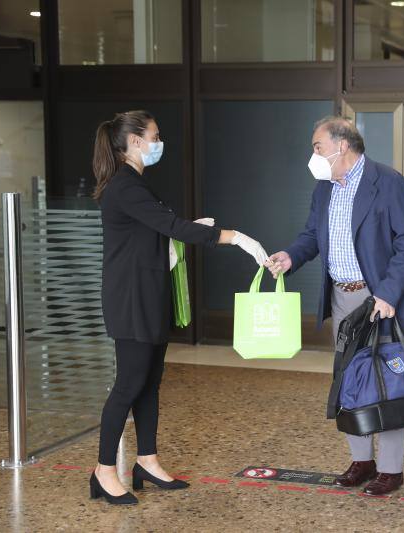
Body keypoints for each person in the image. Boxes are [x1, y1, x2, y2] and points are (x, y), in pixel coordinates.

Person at [91, 110, 269, 505]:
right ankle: (104, 471)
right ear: (135, 141)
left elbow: (157, 228)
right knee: (128, 386)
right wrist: (234, 237)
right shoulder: (124, 185)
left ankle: (147, 462)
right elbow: (171, 228)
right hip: (131, 299)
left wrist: (186, 225)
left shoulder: (136, 183)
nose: (159, 142)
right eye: (155, 135)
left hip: (148, 293)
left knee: (150, 383)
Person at [266, 116, 404, 496]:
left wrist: (387, 293)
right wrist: (291, 256)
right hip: (342, 297)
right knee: (350, 381)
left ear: (343, 146)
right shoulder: (324, 188)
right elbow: (311, 236)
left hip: (380, 298)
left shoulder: (387, 182)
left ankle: (390, 469)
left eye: (317, 146)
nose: (313, 155)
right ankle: (362, 461)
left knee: (386, 383)